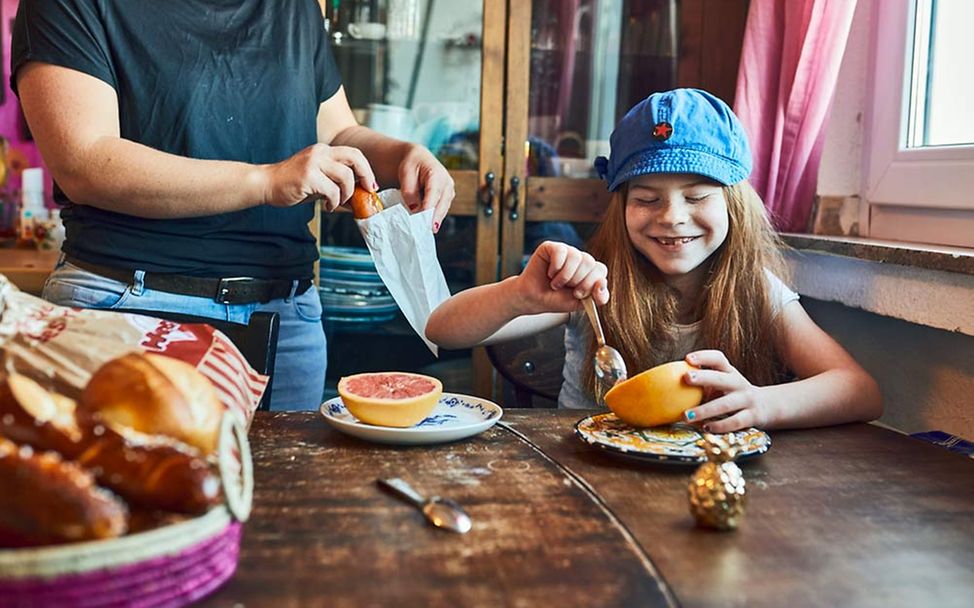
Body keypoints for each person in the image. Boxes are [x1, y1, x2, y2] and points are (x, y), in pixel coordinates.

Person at [10, 0, 454, 410]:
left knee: (287, 495)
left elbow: (335, 134)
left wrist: (401, 157)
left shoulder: (292, 7)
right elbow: (84, 162)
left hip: (286, 316)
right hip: (128, 305)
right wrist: (266, 180)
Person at [426, 88, 882, 432]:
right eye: (646, 198)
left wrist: (763, 404)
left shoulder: (753, 289)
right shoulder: (593, 284)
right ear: (621, 205)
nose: (672, 218)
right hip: (585, 481)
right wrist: (521, 294)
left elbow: (859, 390)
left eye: (696, 196)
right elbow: (443, 329)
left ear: (733, 205)